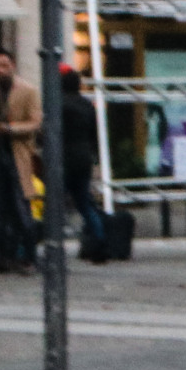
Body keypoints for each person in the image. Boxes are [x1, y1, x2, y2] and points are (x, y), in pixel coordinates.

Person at [0, 50, 42, 273]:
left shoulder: (28, 90)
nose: (0, 70)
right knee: (0, 209)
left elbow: (35, 122)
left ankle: (29, 257)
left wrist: (10, 129)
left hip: (17, 155)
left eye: (4, 65)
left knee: (22, 208)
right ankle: (3, 256)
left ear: (13, 65)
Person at [59, 66, 110, 262]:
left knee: (55, 204)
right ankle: (100, 241)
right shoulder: (87, 105)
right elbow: (94, 134)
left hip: (64, 158)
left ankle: (50, 244)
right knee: (84, 203)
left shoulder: (58, 104)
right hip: (83, 158)